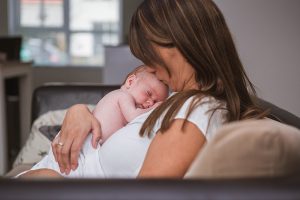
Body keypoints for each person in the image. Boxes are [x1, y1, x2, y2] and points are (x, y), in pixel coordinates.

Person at [21, 0, 268, 178]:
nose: (150, 67)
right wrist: (79, 111)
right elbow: (115, 116)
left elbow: (147, 192)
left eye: (150, 56)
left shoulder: (199, 111)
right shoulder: (180, 99)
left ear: (179, 43)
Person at [18, 65, 169, 178]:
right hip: (83, 146)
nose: (150, 102)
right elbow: (134, 116)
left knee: (53, 176)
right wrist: (156, 107)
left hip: (88, 153)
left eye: (156, 100)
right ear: (130, 82)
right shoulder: (122, 96)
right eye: (149, 94)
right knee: (49, 175)